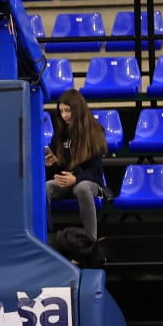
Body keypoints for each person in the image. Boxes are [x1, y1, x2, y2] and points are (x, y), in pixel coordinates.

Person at [45, 88, 107, 241]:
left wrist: (76, 179)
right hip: (66, 182)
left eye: (68, 110)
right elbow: (61, 169)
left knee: (82, 187)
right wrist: (53, 164)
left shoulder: (95, 132)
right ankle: (46, 237)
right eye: (61, 111)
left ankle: (91, 240)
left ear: (78, 110)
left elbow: (95, 172)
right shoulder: (61, 133)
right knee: (46, 187)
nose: (64, 115)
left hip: (92, 184)